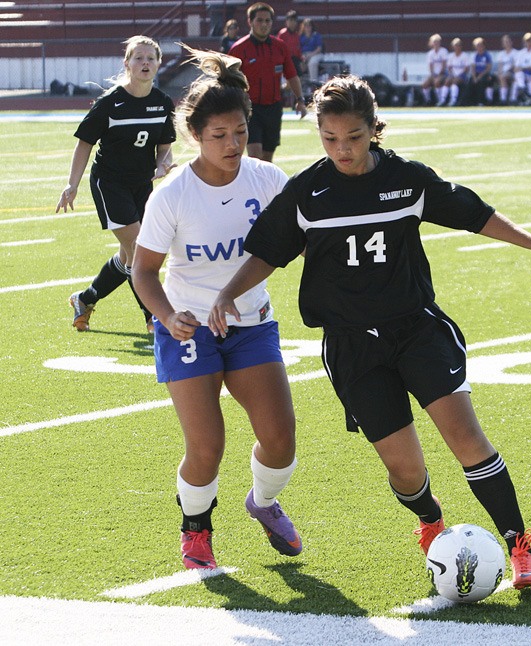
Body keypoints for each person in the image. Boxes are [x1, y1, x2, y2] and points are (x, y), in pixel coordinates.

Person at [209, 74, 531, 589]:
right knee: (405, 471)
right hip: (353, 345)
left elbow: (472, 213)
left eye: (353, 138)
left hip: (416, 329)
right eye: (330, 139)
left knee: (466, 438)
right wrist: (226, 294)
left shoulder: (407, 178)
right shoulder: (307, 192)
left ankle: (518, 546)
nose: (342, 150)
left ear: (372, 129)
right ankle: (431, 523)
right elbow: (268, 251)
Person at [131, 48, 301, 571]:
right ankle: (196, 530)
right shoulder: (172, 196)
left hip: (251, 324)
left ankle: (264, 503)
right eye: (218, 136)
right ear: (194, 137)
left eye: (240, 133)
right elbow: (142, 272)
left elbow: (304, 237)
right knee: (208, 446)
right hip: (187, 330)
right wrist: (167, 316)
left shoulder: (269, 181)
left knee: (280, 441)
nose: (232, 145)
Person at [56, 35, 176, 333]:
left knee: (128, 257)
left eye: (151, 58)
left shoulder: (161, 102)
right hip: (110, 184)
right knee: (140, 250)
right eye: (139, 58)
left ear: (159, 64)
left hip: (142, 186)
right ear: (127, 63)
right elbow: (84, 143)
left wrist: (163, 163)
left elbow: (165, 145)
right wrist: (72, 185)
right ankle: (154, 318)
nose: (145, 63)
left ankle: (85, 299)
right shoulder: (111, 102)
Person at [228, 2, 307, 162]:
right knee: (255, 155)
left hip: (274, 108)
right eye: (260, 20)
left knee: (267, 158)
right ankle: (253, 187)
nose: (264, 24)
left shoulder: (280, 47)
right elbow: (228, 82)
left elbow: (291, 75)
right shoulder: (238, 49)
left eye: (267, 21)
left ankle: (267, 187)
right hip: (250, 109)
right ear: (250, 22)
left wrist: (300, 100)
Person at [511, 32, 531, 105]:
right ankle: (517, 96)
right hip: (522, 76)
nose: (528, 43)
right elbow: (516, 68)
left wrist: (522, 68)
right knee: (517, 78)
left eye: (530, 41)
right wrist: (521, 69)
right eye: (527, 41)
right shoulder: (521, 53)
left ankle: (529, 97)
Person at [440, 37, 470, 107]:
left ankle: (453, 100)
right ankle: (442, 100)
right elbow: (449, 68)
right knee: (447, 81)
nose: (457, 47)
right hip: (453, 75)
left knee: (455, 82)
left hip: (462, 76)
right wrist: (452, 74)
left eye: (459, 45)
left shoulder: (465, 56)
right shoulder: (451, 56)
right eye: (455, 45)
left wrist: (459, 75)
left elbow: (467, 69)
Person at [421, 34, 448, 106]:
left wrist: (439, 74)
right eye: (434, 42)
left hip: (443, 74)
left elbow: (444, 65)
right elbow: (430, 66)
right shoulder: (430, 53)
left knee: (437, 82)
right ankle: (428, 100)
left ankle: (440, 101)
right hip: (434, 74)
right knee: (424, 84)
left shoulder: (443, 51)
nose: (436, 43)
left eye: (437, 42)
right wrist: (433, 74)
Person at [277, 9, 303, 76]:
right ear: (286, 22)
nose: (292, 23)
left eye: (294, 20)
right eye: (290, 20)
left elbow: (298, 49)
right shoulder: (282, 34)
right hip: (285, 60)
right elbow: (278, 49)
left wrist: (301, 59)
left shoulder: (296, 35)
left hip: (295, 60)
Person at [470, 37, 494, 106]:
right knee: (470, 81)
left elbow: (488, 68)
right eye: (477, 46)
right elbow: (473, 67)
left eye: (480, 45)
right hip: (476, 74)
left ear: (483, 46)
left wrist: (480, 76)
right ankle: (470, 101)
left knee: (482, 81)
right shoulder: (474, 55)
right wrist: (474, 77)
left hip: (485, 74)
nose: (479, 47)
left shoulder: (487, 55)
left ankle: (482, 101)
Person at [300, 18, 324, 84]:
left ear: (312, 27)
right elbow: (298, 48)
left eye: (309, 26)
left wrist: (310, 55)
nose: (308, 28)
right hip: (304, 55)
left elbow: (319, 49)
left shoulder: (316, 36)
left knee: (312, 63)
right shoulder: (301, 37)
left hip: (316, 54)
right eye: (306, 26)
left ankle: (313, 84)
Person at [496, 34, 517, 105]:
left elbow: (515, 65)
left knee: (503, 77)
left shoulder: (515, 53)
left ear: (511, 42)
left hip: (512, 73)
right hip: (503, 73)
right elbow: (500, 66)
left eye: (508, 41)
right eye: (505, 42)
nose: (507, 43)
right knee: (497, 77)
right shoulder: (501, 54)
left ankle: (503, 99)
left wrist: (506, 72)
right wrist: (499, 73)